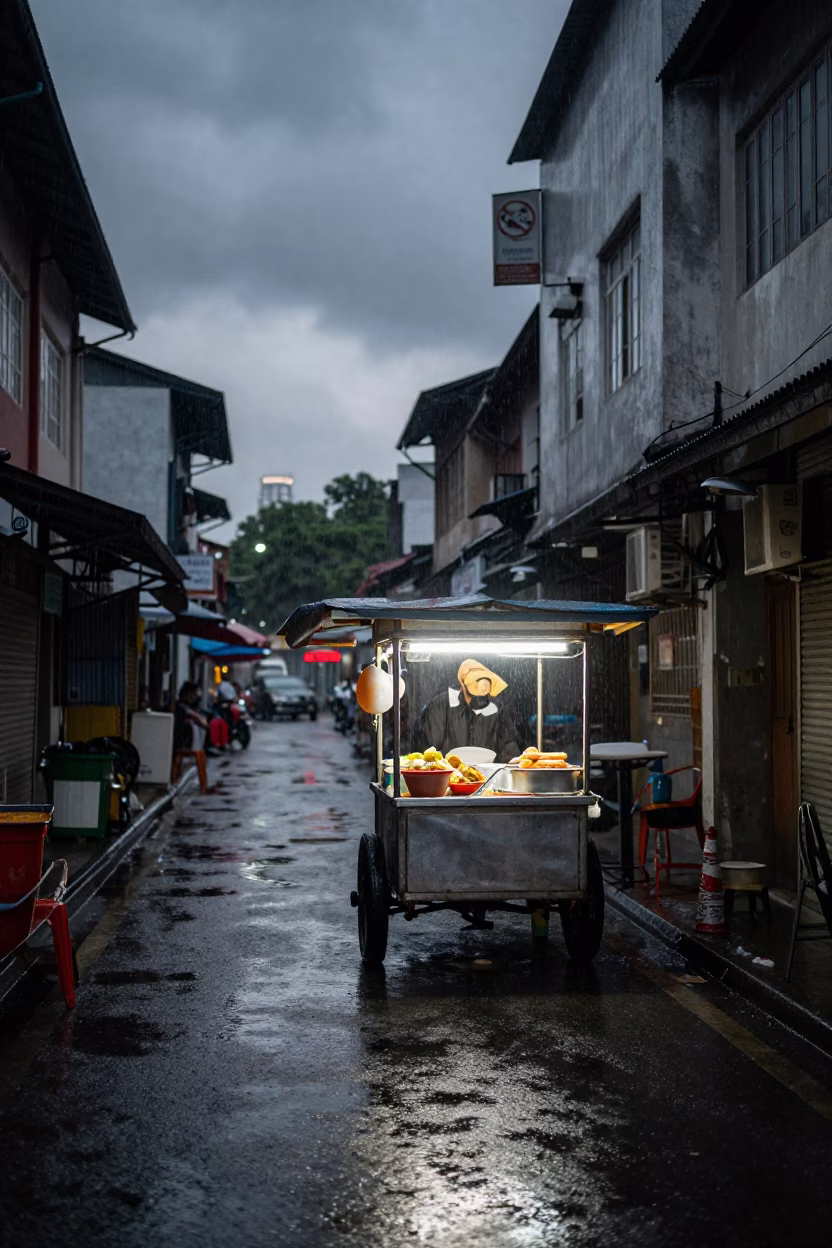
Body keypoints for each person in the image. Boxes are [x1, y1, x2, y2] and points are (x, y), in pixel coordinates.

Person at [417, 658, 520, 762]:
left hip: (487, 770)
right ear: (463, 685)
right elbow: (429, 749)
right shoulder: (441, 705)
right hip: (449, 770)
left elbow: (509, 747)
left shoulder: (497, 710)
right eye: (475, 684)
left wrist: (512, 761)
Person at [174, 681, 209, 753]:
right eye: (193, 695)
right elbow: (203, 723)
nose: (195, 698)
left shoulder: (189, 709)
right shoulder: (183, 710)